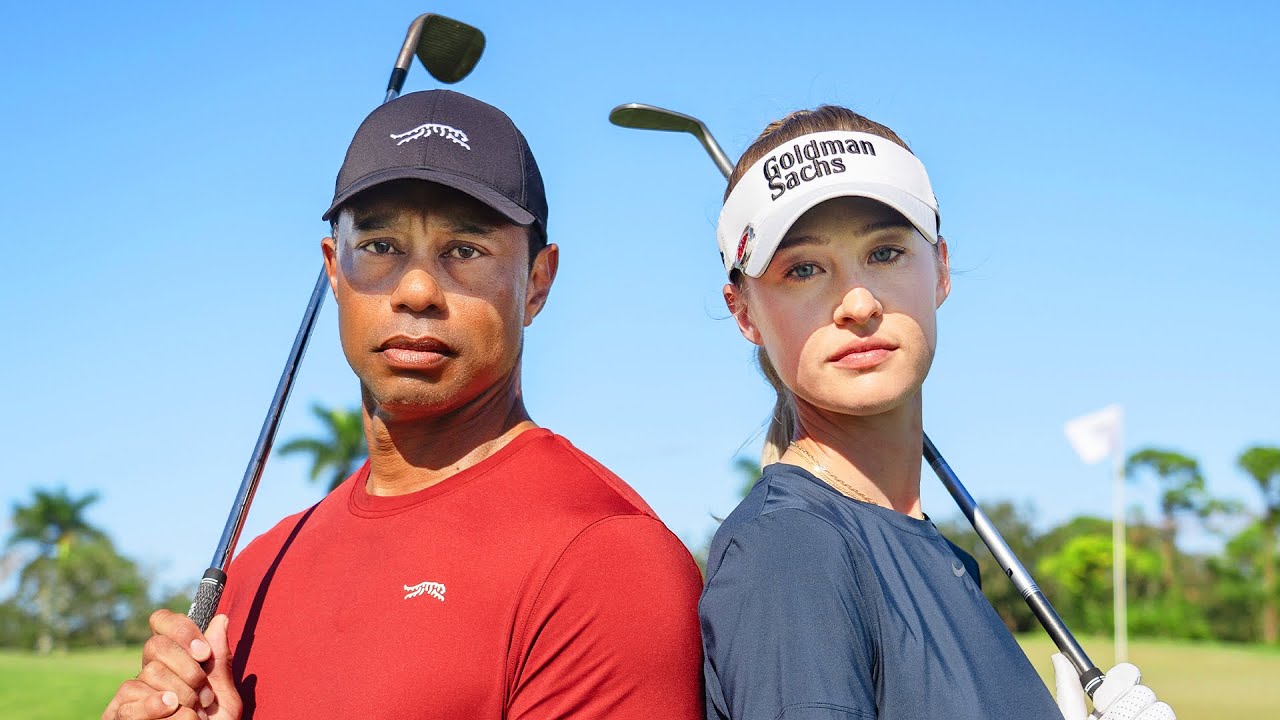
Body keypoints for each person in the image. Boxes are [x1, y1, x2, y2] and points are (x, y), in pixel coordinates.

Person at [101, 89, 704, 720]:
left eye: (465, 251)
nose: (417, 290)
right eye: (381, 247)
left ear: (537, 283)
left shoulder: (606, 561)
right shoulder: (256, 573)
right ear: (334, 271)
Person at [698, 106, 1175, 720]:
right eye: (804, 269)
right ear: (744, 314)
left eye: (886, 253)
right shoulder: (790, 550)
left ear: (941, 269)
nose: (859, 303)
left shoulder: (935, 553)